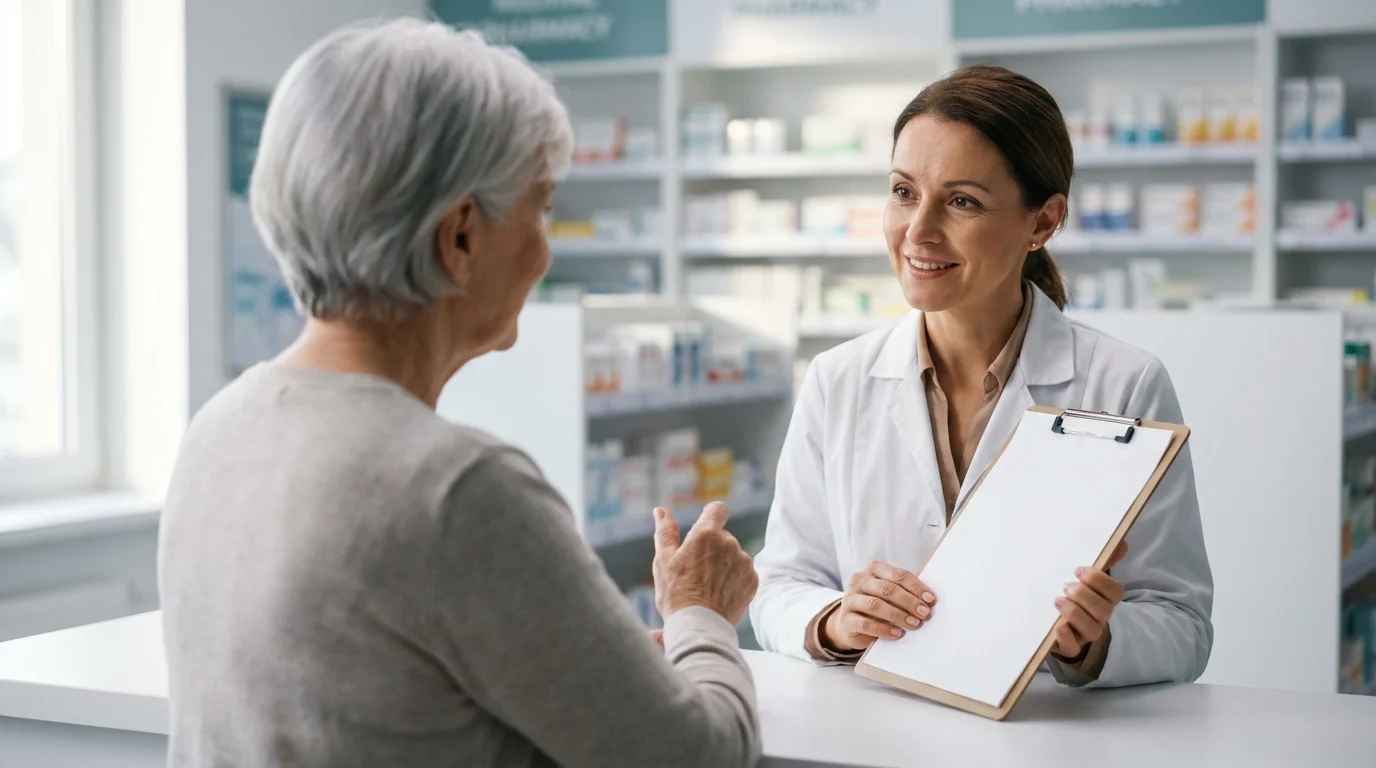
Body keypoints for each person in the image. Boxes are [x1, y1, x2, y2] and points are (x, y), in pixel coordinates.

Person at [158, 19, 760, 768]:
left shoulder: (222, 427)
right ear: (462, 237)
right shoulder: (456, 488)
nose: (546, 247)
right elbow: (693, 757)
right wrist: (702, 614)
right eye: (540, 209)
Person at [750, 65, 1213, 687]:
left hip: (1043, 740)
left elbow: (1182, 623)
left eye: (962, 201)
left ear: (1042, 223)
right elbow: (780, 584)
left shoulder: (1123, 384)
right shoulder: (838, 379)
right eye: (903, 191)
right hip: (873, 735)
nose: (918, 230)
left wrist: (1093, 644)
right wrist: (836, 620)